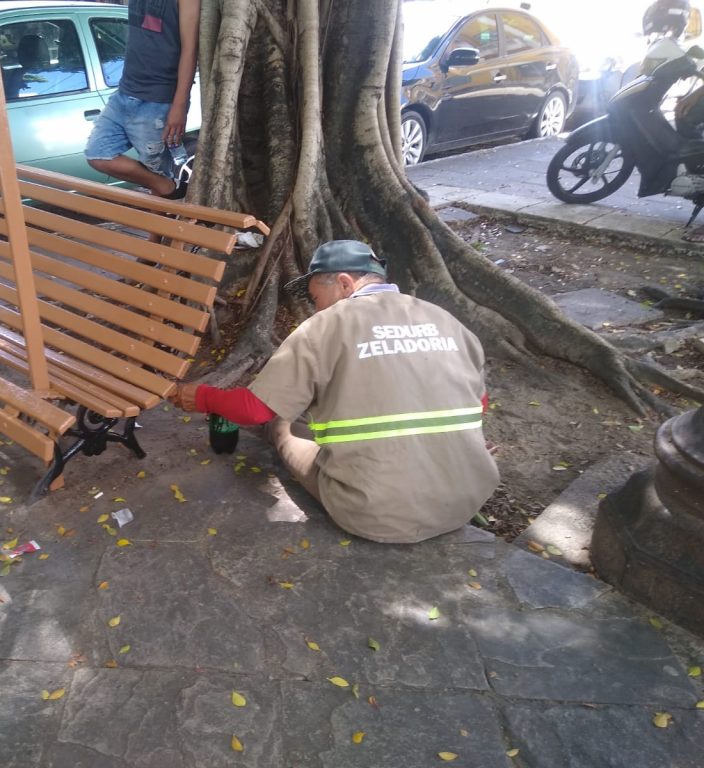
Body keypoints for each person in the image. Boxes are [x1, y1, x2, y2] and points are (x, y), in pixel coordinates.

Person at [172, 240, 500, 544]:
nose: (315, 309)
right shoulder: (446, 320)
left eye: (315, 299)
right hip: (466, 499)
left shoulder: (324, 326)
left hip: (375, 513)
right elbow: (478, 405)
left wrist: (202, 397)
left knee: (281, 424)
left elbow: (255, 409)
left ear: (344, 283)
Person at [84, 0, 200, 199]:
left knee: (160, 171)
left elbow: (190, 50)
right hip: (125, 92)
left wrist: (179, 105)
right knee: (97, 153)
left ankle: (167, 214)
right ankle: (167, 187)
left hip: (158, 101)